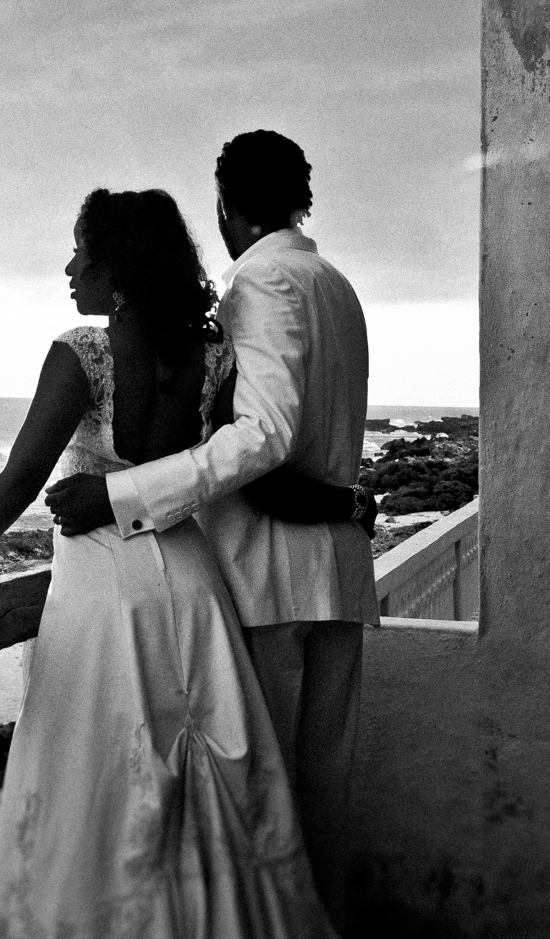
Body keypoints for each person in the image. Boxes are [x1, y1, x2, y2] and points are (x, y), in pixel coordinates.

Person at [0, 188, 333, 939]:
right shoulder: (211, 355)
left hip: (103, 593)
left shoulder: (82, 352)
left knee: (99, 781)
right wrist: (346, 507)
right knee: (202, 773)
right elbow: (243, 466)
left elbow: (15, 483)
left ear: (120, 270)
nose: (70, 266)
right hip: (194, 587)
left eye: (83, 252)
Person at [46, 131, 375, 917]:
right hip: (338, 565)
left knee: (256, 800)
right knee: (323, 788)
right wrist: (345, 503)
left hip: (265, 575)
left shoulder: (257, 286)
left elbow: (263, 436)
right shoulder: (337, 284)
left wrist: (123, 495)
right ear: (301, 195)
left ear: (226, 206)